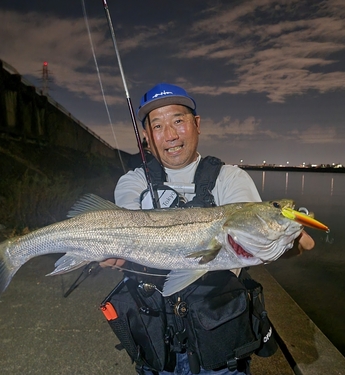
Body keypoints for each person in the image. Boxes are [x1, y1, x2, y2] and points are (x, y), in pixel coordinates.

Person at [104, 83, 314, 375]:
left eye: (178, 120)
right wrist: (113, 251)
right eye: (158, 126)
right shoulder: (132, 183)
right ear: (146, 138)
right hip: (157, 345)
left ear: (197, 124)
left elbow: (252, 238)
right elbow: (128, 230)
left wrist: (286, 242)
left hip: (220, 346)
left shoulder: (231, 179)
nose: (171, 135)